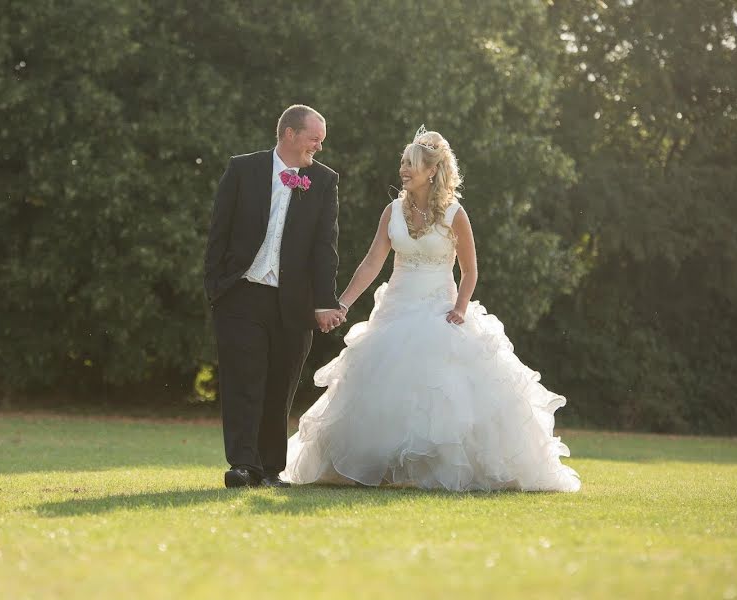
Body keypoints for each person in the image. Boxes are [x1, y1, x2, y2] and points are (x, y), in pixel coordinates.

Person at [282, 127, 581, 492]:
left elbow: (469, 270)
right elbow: (372, 263)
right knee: (382, 388)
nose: (404, 170)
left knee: (441, 391)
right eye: (403, 163)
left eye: (411, 164)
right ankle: (382, 468)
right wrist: (342, 302)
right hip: (396, 309)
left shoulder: (455, 214)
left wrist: (459, 308)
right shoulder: (391, 212)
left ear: (432, 171)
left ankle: (441, 468)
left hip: (441, 311)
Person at [204, 104, 347, 489]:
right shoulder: (243, 169)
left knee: (279, 385)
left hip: (293, 302)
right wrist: (217, 287)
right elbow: (219, 229)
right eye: (313, 139)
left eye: (321, 141)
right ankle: (242, 466)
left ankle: (270, 470)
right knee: (243, 382)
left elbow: (324, 247)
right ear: (289, 133)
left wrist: (324, 300)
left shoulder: (324, 180)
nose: (318, 147)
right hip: (241, 294)